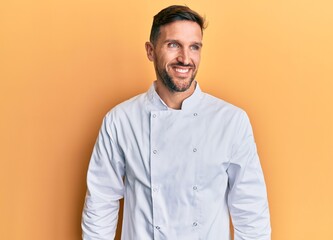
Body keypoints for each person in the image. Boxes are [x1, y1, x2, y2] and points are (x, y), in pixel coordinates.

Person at [82, 5, 271, 240]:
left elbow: (251, 213)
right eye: (173, 45)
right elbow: (101, 203)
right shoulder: (120, 120)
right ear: (150, 51)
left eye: (194, 47)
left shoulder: (231, 121)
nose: (185, 58)